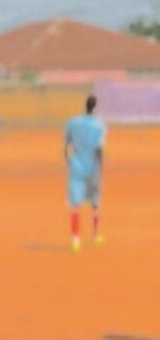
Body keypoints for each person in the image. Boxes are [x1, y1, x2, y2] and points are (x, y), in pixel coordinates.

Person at [65, 95, 106, 253]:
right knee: (95, 202)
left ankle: (75, 240)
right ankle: (95, 234)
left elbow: (66, 147)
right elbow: (99, 150)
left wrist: (69, 161)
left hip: (76, 167)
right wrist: (100, 168)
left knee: (75, 204)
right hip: (92, 168)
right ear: (95, 107)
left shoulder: (72, 123)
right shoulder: (98, 126)